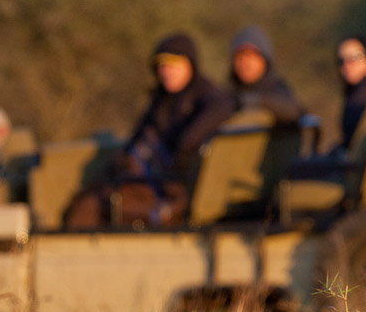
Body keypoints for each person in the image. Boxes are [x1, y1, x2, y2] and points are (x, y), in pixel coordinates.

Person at [65, 33, 236, 229]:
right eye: (161, 65)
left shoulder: (208, 96)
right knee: (89, 199)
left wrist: (186, 144)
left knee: (94, 206)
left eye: (173, 64)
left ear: (190, 64)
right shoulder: (160, 102)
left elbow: (221, 110)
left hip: (177, 189)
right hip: (148, 182)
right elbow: (135, 141)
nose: (166, 71)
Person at [228, 25, 303, 124]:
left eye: (250, 56)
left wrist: (253, 101)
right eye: (239, 57)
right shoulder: (228, 93)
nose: (244, 63)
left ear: (264, 60)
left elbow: (295, 111)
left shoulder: (278, 89)